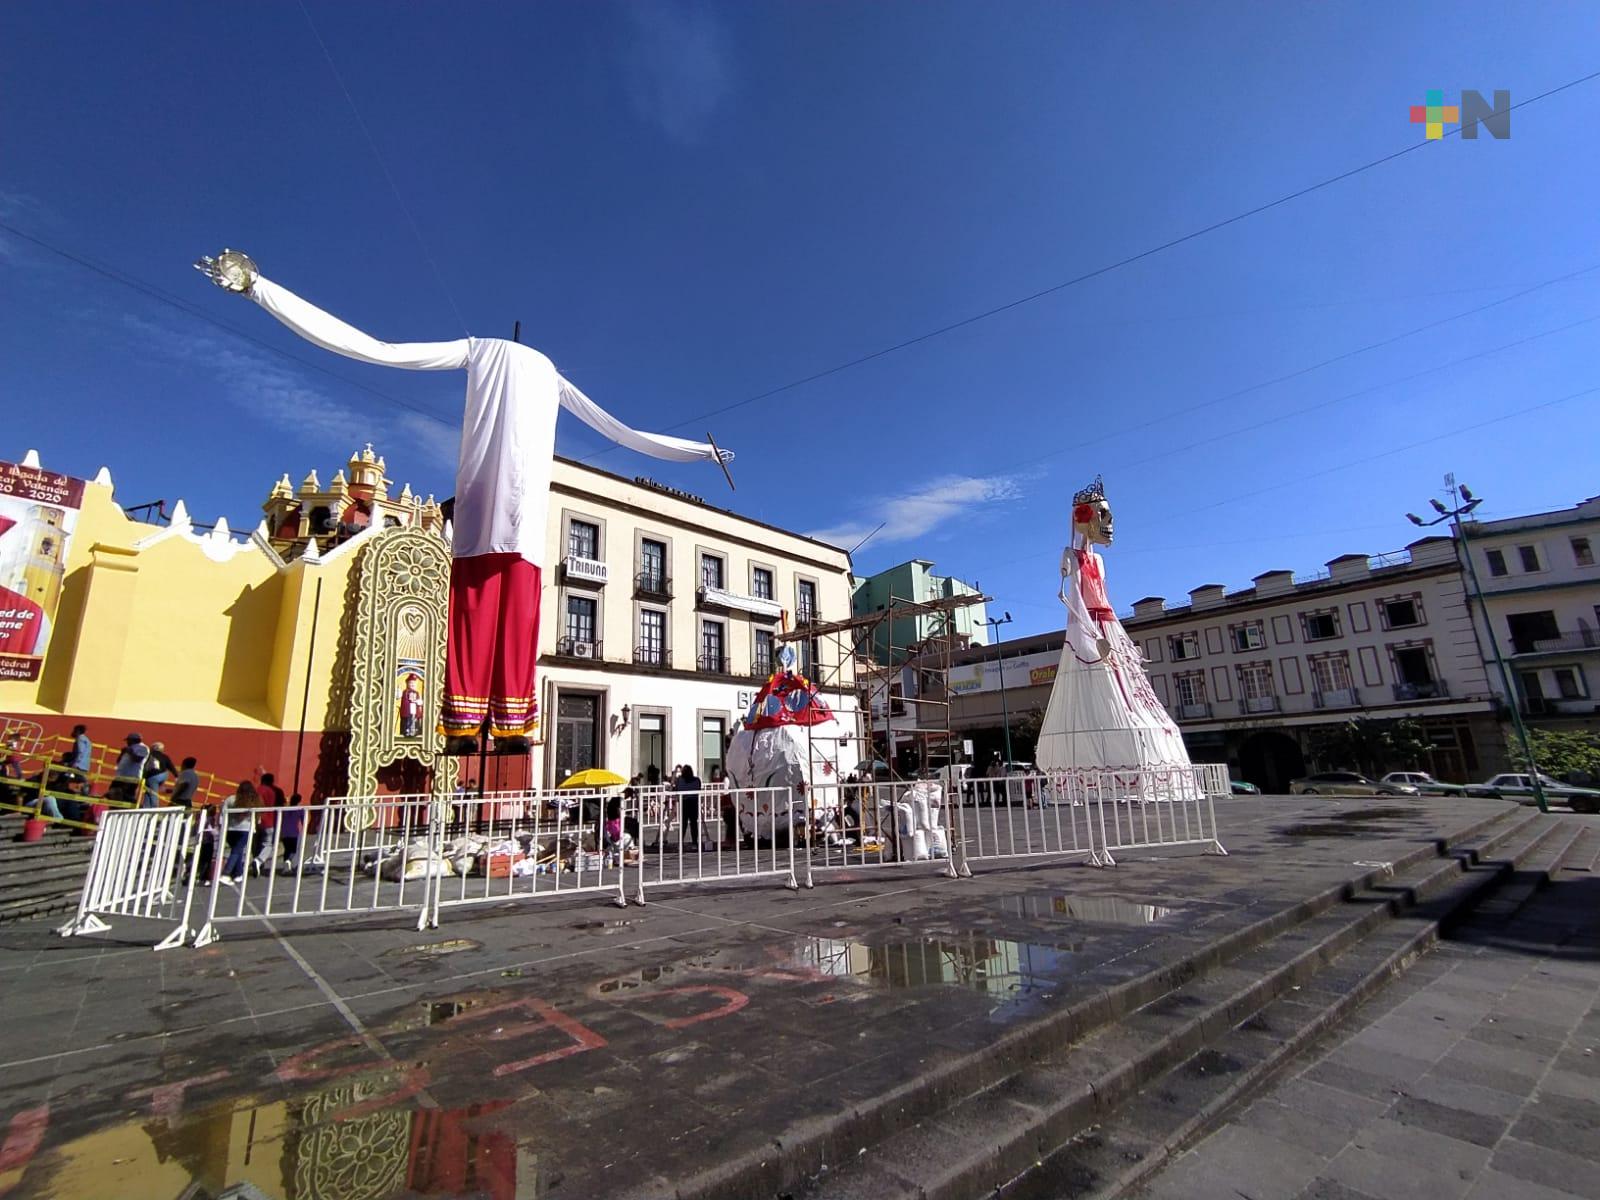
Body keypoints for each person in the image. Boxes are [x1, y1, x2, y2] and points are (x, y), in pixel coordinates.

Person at [197, 251, 734, 752]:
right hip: (519, 516)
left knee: (475, 613)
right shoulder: (540, 374)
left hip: (488, 512)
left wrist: (258, 288)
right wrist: (700, 453)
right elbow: (623, 432)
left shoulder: (490, 355)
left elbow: (380, 350)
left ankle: (475, 723)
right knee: (511, 618)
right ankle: (501, 725)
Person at [1034, 475, 1194, 795]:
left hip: (1106, 622)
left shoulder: (1099, 560)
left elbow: (1103, 597)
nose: (1109, 522)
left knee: (1126, 690)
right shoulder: (1071, 555)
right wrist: (1091, 633)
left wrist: (1116, 635)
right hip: (1088, 627)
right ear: (1083, 518)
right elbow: (1066, 594)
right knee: (1097, 685)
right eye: (1102, 514)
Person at [220, 781, 259, 886]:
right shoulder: (253, 801)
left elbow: (223, 812)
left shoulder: (230, 799)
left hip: (230, 829)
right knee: (236, 851)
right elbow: (258, 817)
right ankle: (226, 873)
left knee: (237, 851)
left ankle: (239, 873)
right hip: (245, 829)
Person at [253, 772, 283, 874]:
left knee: (256, 843)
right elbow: (280, 805)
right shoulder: (274, 791)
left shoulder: (257, 790)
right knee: (268, 844)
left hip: (257, 819)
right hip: (270, 820)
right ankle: (259, 860)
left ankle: (258, 863)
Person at [110, 733, 150, 805]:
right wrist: (122, 753)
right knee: (113, 792)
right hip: (120, 775)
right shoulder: (129, 748)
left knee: (127, 796)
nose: (127, 742)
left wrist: (130, 752)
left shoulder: (143, 748)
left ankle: (126, 809)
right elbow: (118, 761)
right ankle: (114, 807)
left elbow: (138, 759)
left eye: (128, 740)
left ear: (134, 740)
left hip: (132, 776)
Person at [674, 763, 702, 847]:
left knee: (683, 824)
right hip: (694, 802)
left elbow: (677, 788)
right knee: (694, 823)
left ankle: (680, 842)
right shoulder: (697, 780)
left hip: (684, 802)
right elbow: (698, 789)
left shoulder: (680, 780)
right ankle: (694, 842)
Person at [277, 793, 305, 873]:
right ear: (299, 801)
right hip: (294, 833)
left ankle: (285, 868)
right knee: (293, 850)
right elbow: (304, 820)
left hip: (284, 832)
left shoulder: (286, 809)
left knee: (287, 849)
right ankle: (289, 861)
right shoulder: (300, 809)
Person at [143, 741, 175, 807]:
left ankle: (154, 808)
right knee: (149, 790)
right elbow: (171, 766)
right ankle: (146, 807)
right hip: (164, 775)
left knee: (153, 792)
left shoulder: (149, 755)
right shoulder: (165, 756)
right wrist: (176, 776)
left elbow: (144, 766)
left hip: (153, 776)